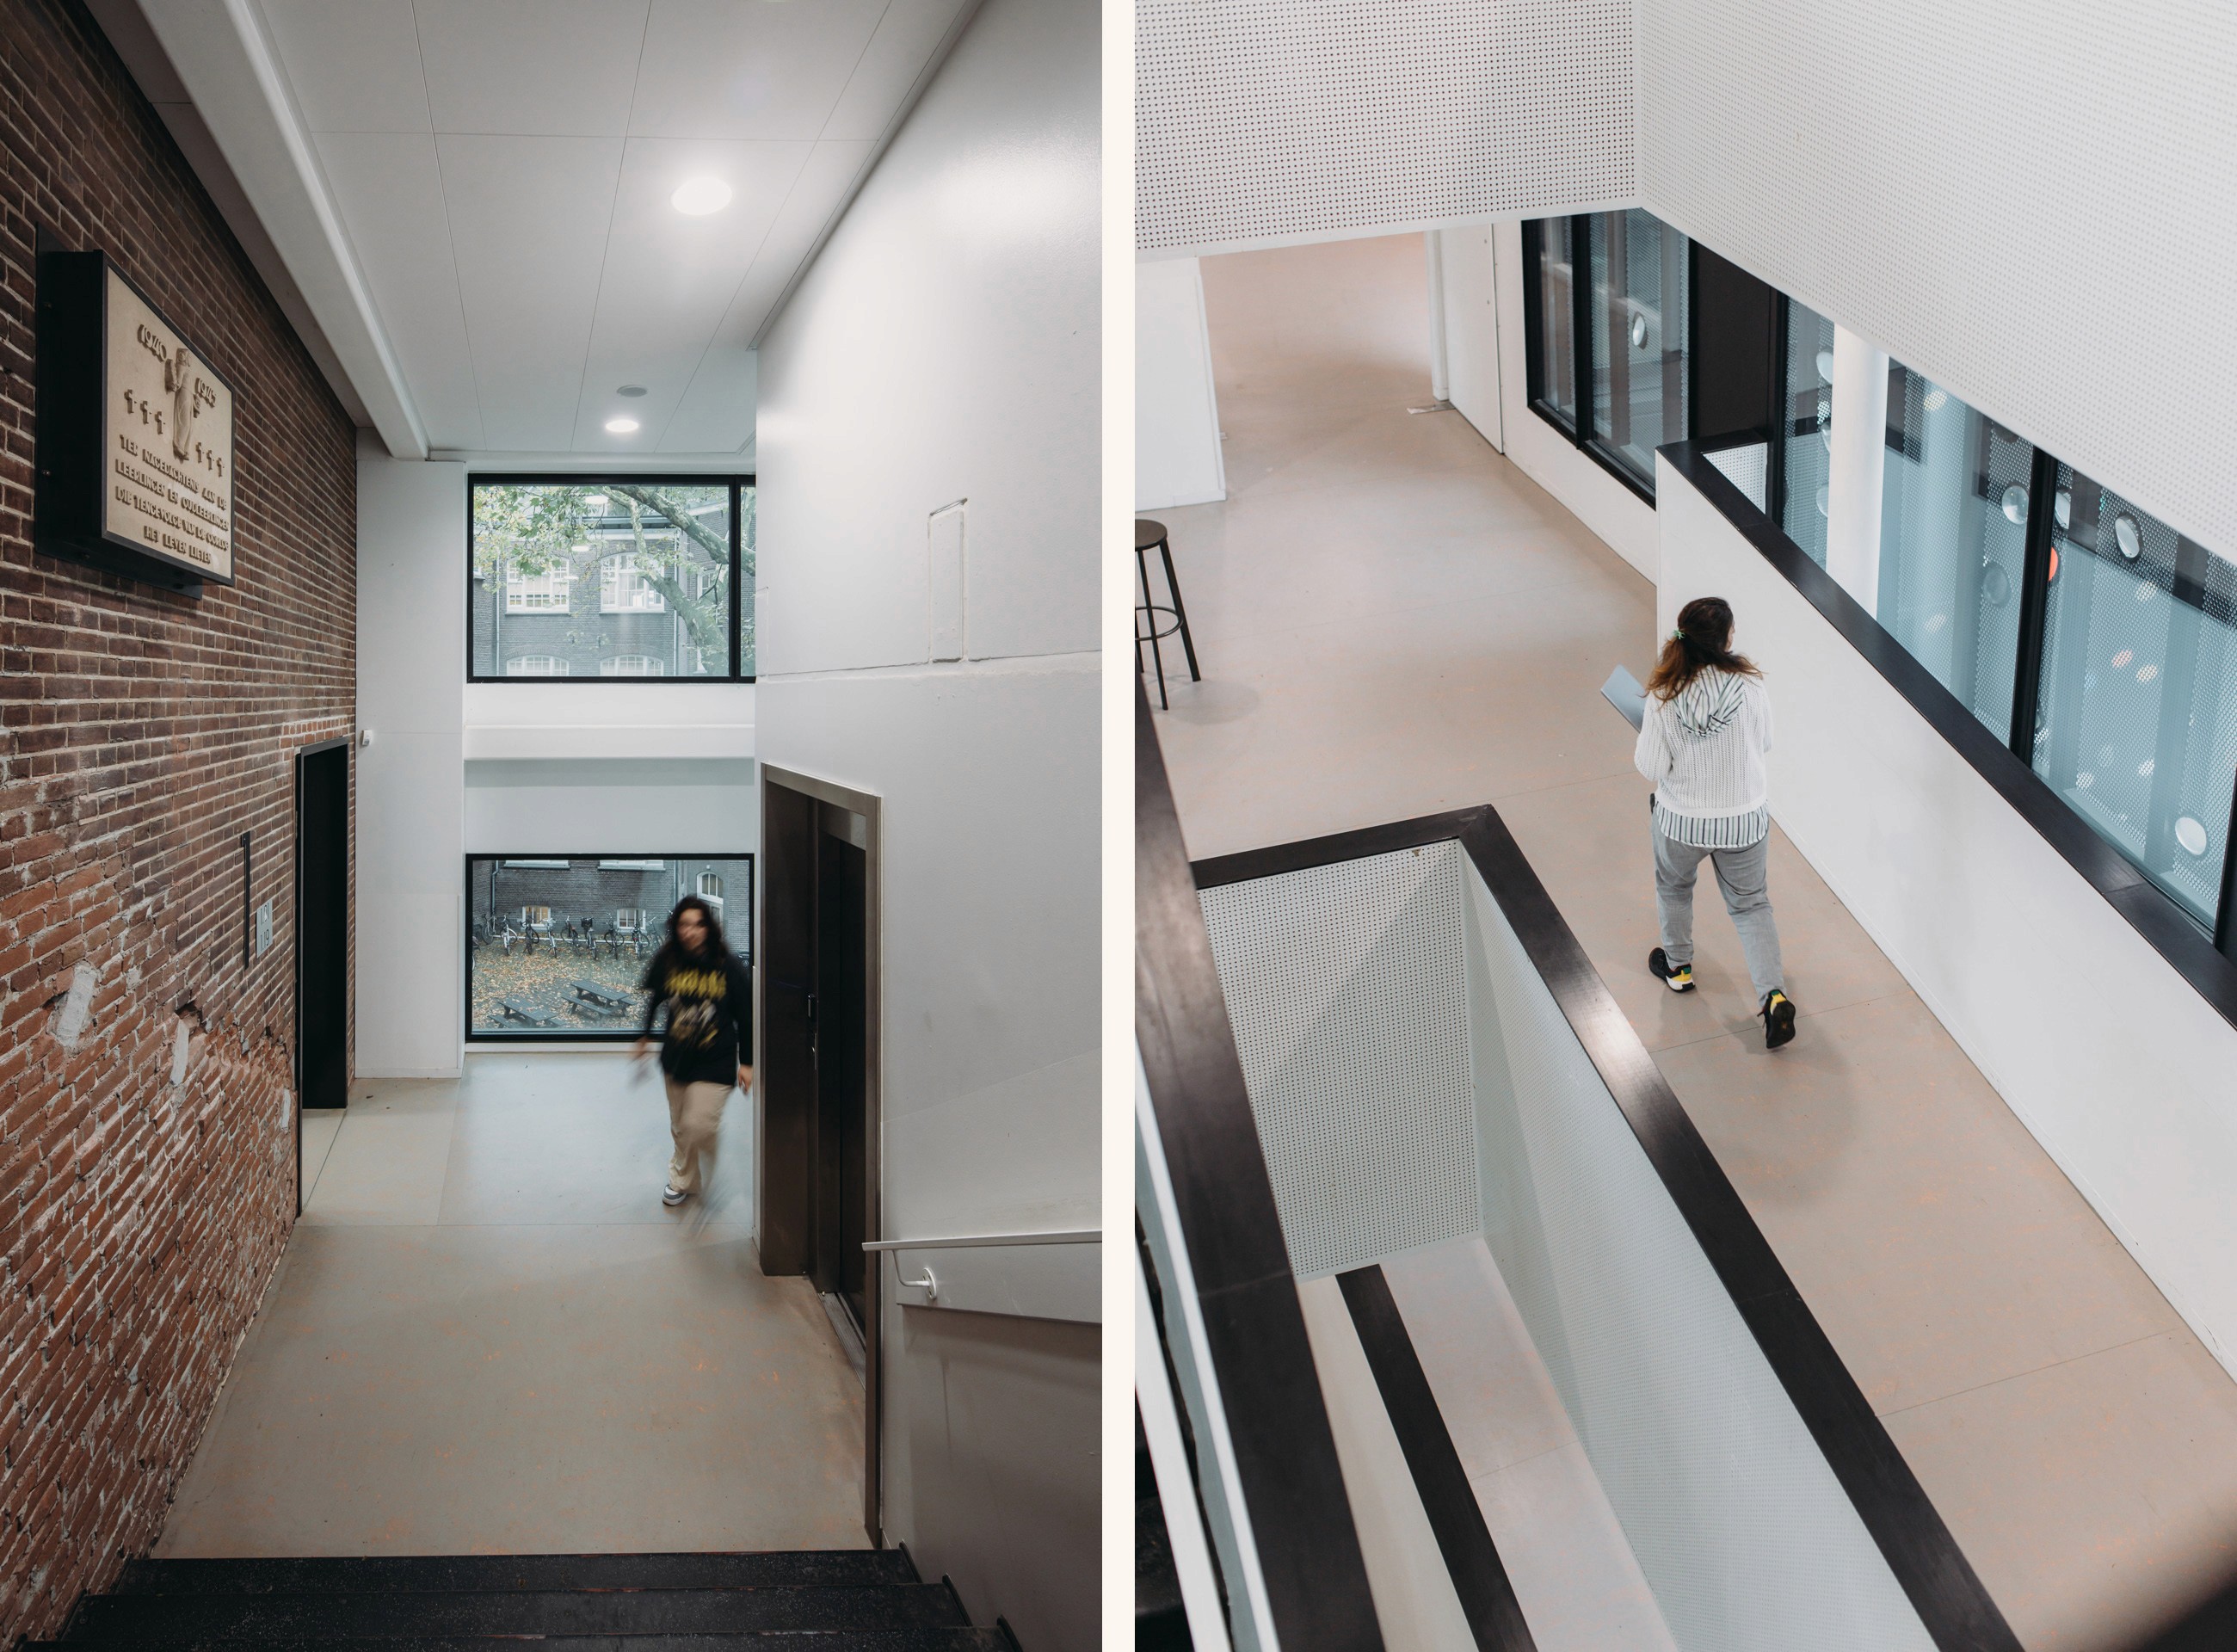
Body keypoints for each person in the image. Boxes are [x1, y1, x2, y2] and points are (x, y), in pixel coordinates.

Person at [1634, 595, 1796, 1050]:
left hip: (1681, 823)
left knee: (1674, 888)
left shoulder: (1664, 695)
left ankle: (1679, 969)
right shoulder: (1751, 686)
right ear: (1725, 640)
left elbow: (1651, 767)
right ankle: (1773, 997)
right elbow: (1765, 742)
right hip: (1744, 821)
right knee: (1751, 906)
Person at [633, 896, 754, 1205]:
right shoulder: (669, 960)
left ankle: (702, 1155)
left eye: (698, 925)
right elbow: (655, 998)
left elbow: (745, 1016)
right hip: (677, 1057)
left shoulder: (728, 966)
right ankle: (683, 1180)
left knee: (697, 1124)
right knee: (680, 1127)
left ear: (708, 928)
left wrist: (747, 1062)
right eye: (684, 925)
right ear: (676, 928)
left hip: (716, 1059)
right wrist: (644, 1036)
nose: (690, 931)